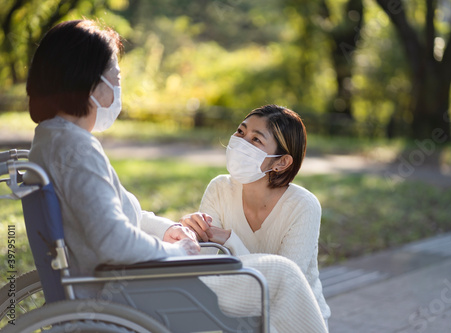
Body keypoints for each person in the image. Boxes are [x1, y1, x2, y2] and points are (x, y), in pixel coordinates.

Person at [26, 19, 328, 333]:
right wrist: (176, 252)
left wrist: (169, 229)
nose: (118, 86)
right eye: (115, 76)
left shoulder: (55, 141)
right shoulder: (75, 150)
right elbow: (113, 241)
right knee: (282, 275)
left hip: (133, 276)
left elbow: (116, 219)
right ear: (90, 81)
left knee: (276, 273)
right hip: (133, 286)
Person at [181, 105, 331, 326]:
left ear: (281, 162)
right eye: (241, 132)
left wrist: (230, 240)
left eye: (256, 140)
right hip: (236, 315)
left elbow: (284, 284)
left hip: (294, 319)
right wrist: (191, 233)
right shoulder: (219, 188)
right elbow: (210, 266)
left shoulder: (303, 206)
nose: (241, 142)